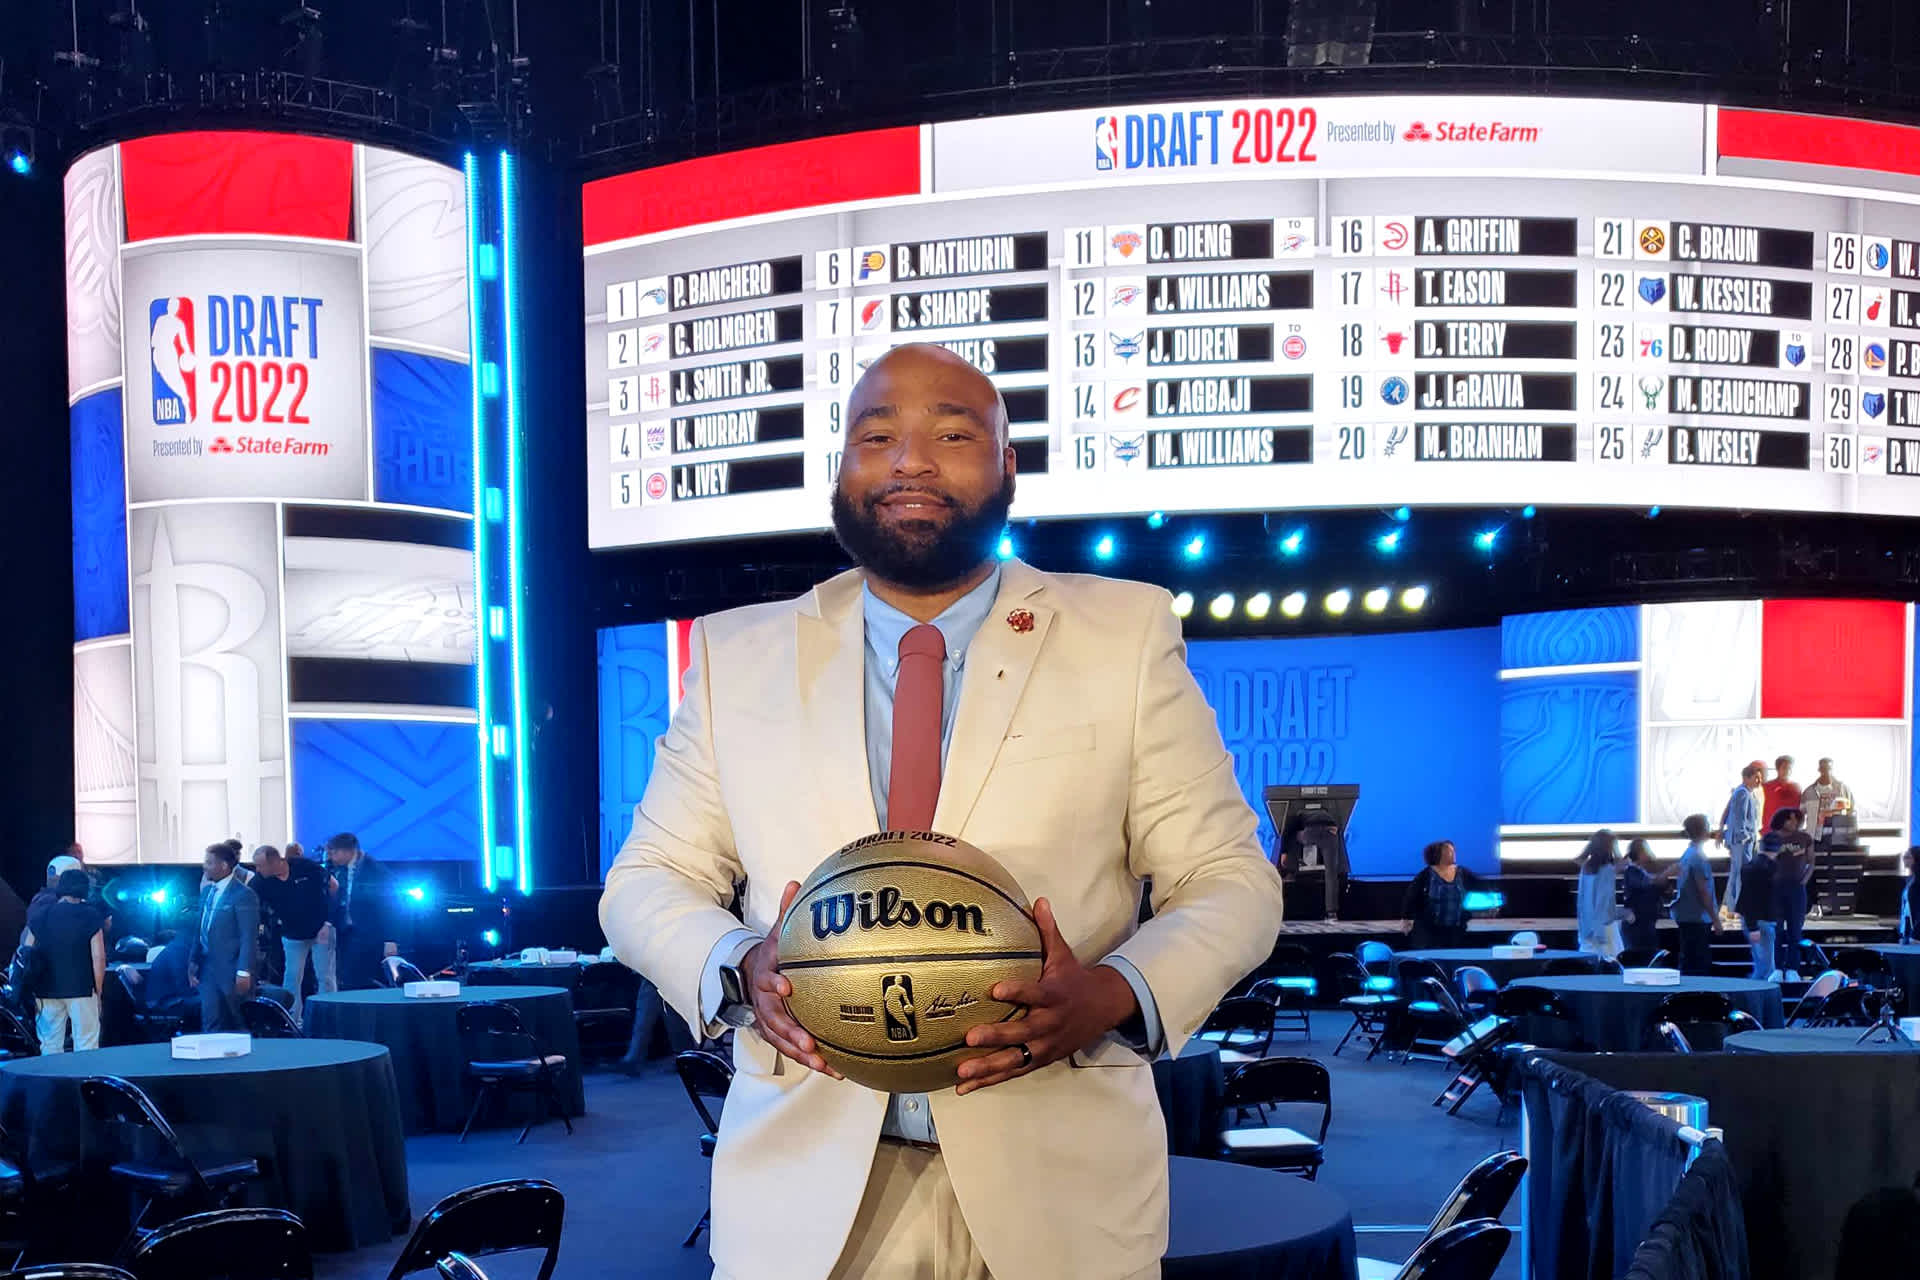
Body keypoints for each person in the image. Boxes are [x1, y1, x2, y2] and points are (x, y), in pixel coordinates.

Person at [599, 342, 1287, 1280]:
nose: (910, 460)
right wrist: (738, 968)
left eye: (952, 434)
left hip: (1058, 1189)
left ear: (1007, 467)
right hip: (806, 1201)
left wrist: (1115, 990)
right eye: (876, 435)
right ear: (841, 472)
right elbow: (646, 882)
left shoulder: (1121, 635)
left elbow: (1229, 880)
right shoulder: (736, 657)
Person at [249, 845, 335, 1023]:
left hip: (321, 930)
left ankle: (328, 1019)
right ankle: (292, 1020)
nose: (257, 870)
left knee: (324, 976)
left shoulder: (306, 867)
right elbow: (247, 898)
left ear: (275, 862)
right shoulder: (260, 881)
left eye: (260, 865)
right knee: (292, 976)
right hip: (292, 933)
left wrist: (328, 922)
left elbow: (333, 885)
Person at [24, 869, 104, 1052]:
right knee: (86, 1044)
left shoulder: (40, 915)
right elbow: (98, 957)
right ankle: (85, 1080)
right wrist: (98, 991)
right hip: (82, 989)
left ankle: (51, 1081)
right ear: (85, 889)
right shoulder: (91, 915)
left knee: (50, 1045)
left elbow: (27, 952)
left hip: (45, 989)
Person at [191, 843, 258, 1032]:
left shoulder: (244, 895)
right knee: (210, 1021)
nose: (204, 866)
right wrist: (193, 961)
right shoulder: (206, 892)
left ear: (224, 866)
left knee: (238, 1022)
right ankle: (211, 1060)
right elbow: (199, 928)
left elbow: (248, 937)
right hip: (207, 968)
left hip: (232, 969)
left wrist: (244, 971)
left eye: (209, 862)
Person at [326, 833, 398, 989]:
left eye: (334, 853)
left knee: (363, 979)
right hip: (347, 932)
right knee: (347, 977)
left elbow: (390, 906)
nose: (331, 858)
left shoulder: (376, 870)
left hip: (369, 933)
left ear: (347, 851)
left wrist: (390, 939)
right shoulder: (339, 870)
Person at [1401, 840, 1480, 949]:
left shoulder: (1463, 873)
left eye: (1453, 851)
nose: (1453, 854)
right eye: (1449, 851)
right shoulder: (1425, 875)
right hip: (1429, 932)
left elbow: (1481, 888)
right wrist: (1406, 919)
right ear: (1437, 854)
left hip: (1456, 930)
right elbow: (1411, 897)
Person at [1764, 809, 1814, 980]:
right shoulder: (1771, 838)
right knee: (1776, 930)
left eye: (1796, 820)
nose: (1794, 823)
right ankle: (1777, 968)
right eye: (1790, 820)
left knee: (1795, 929)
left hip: (1796, 889)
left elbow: (1811, 861)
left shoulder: (1805, 838)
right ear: (1782, 821)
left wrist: (1804, 880)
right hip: (1774, 889)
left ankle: (1793, 968)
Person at [1801, 758, 1854, 917]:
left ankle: (1832, 906)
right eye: (1823, 768)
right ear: (1819, 769)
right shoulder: (1809, 791)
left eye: (1828, 768)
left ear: (1832, 769)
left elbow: (1851, 810)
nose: (1826, 771)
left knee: (1833, 873)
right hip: (1815, 837)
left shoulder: (1842, 788)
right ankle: (1814, 905)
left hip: (1837, 838)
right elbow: (1801, 814)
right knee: (1813, 872)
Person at [1671, 815, 1719, 976]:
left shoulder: (1689, 853)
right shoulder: (1697, 857)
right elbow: (1703, 891)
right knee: (1697, 962)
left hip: (1688, 915)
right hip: (1696, 917)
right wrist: (1715, 919)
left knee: (1690, 958)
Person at [1574, 830, 1631, 960]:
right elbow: (1603, 903)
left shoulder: (1586, 867)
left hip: (1587, 925)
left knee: (1589, 960)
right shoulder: (1606, 870)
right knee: (1611, 962)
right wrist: (1624, 913)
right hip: (1603, 927)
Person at [1718, 762, 1764, 919]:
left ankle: (1732, 907)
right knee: (1741, 874)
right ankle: (1738, 907)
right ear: (1746, 778)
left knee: (1737, 873)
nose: (1759, 781)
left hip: (1744, 840)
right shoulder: (1742, 793)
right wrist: (1745, 837)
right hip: (1742, 841)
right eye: (1756, 778)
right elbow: (1739, 818)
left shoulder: (1746, 792)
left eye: (1760, 777)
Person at [1734, 831, 1779, 982]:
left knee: (1762, 966)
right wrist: (1753, 927)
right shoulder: (1769, 869)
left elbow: (1746, 897)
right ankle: (1755, 999)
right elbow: (1751, 898)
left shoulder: (1750, 866)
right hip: (1762, 921)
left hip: (1753, 920)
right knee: (1765, 970)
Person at [1620, 840, 1666, 956]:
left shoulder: (1643, 871)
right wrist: (1663, 876)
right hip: (1637, 924)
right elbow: (1645, 883)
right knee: (1638, 956)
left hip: (1646, 922)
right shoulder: (1631, 871)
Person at [1762, 755, 1801, 827]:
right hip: (1770, 830)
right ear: (1777, 769)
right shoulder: (1766, 787)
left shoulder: (1797, 788)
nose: (1787, 771)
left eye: (1789, 768)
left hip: (1790, 830)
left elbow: (1799, 810)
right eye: (1784, 768)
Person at [1900, 848, 1920, 945]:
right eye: (1904, 857)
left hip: (1916, 934)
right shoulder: (1910, 880)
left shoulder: (1918, 882)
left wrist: (1916, 934)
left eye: (1907, 857)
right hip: (1907, 930)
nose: (1904, 859)